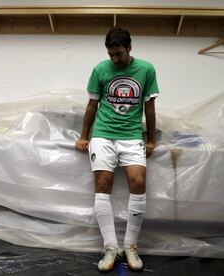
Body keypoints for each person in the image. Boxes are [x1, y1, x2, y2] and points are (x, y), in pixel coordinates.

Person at [75, 27, 158, 272]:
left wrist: (150, 139)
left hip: (131, 135)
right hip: (103, 135)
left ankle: (130, 246)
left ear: (130, 48)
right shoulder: (101, 69)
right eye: (111, 54)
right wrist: (83, 136)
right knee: (102, 185)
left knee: (139, 182)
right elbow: (92, 105)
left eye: (119, 54)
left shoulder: (146, 69)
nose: (115, 59)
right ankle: (110, 247)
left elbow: (150, 108)